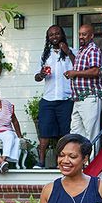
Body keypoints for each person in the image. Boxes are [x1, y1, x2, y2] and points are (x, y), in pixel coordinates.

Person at [34, 25, 74, 167]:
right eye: (51, 35)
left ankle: (62, 162)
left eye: (57, 33)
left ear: (62, 35)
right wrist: (41, 74)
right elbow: (37, 77)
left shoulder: (71, 52)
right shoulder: (45, 55)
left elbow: (79, 67)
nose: (54, 36)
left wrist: (68, 52)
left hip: (65, 99)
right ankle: (41, 162)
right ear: (48, 38)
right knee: (44, 132)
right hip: (48, 99)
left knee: (65, 133)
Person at [64, 23, 102, 144]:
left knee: (91, 133)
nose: (81, 37)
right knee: (76, 132)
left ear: (91, 36)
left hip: (90, 96)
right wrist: (72, 73)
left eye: (84, 34)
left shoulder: (93, 50)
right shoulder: (82, 50)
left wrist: (75, 73)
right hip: (79, 97)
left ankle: (93, 162)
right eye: (80, 34)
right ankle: (80, 161)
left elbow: (96, 71)